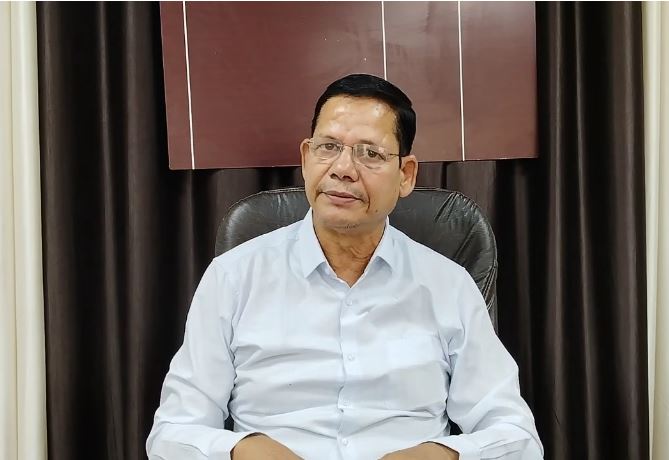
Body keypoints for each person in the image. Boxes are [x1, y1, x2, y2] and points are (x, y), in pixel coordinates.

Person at [147, 74, 543, 460]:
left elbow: (517, 437)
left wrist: (445, 454)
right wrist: (239, 450)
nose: (343, 168)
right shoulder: (234, 277)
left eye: (370, 153)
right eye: (328, 147)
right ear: (306, 158)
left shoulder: (448, 286)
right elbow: (172, 434)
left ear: (405, 175)